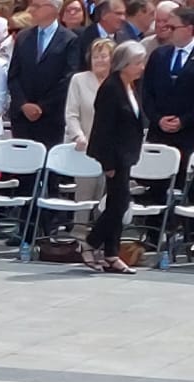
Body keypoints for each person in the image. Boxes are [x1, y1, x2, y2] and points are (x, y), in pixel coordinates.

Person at [7, 0, 77, 235]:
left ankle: (49, 229)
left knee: (51, 174)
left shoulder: (69, 40)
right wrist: (23, 103)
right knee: (26, 174)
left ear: (53, 8)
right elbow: (13, 75)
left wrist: (42, 107)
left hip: (50, 118)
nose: (32, 10)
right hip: (24, 117)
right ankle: (25, 229)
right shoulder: (25, 37)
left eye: (37, 5)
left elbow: (68, 78)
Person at [84, 41, 147, 274]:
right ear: (124, 64)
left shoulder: (131, 86)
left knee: (117, 204)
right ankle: (91, 242)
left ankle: (111, 252)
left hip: (127, 154)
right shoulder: (111, 88)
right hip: (114, 156)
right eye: (137, 63)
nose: (141, 67)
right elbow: (103, 128)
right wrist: (107, 162)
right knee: (118, 204)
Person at [142, 8, 194, 228]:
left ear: (190, 29)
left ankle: (185, 236)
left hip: (188, 135)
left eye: (173, 27)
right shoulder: (159, 55)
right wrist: (157, 119)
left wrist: (183, 120)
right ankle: (154, 236)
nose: (167, 31)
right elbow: (146, 93)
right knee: (156, 187)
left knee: (186, 188)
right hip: (159, 132)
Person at [64, 37, 113, 222]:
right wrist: (78, 136)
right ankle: (80, 240)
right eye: (95, 56)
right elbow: (71, 114)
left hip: (112, 151)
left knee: (108, 201)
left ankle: (103, 242)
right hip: (85, 148)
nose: (99, 60)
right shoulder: (79, 80)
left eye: (104, 56)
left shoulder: (119, 81)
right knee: (84, 198)